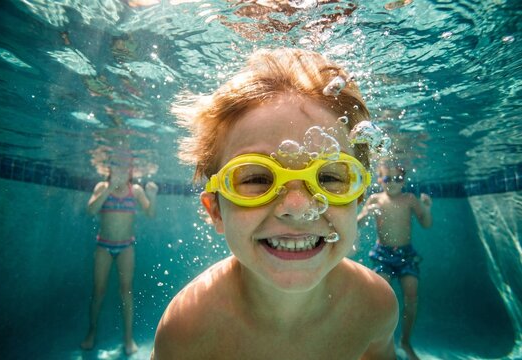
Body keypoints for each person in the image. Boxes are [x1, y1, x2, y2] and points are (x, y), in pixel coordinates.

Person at [152, 48, 399, 360]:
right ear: (215, 210)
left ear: (358, 197)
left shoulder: (375, 306)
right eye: (257, 179)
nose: (297, 206)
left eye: (328, 178)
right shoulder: (188, 327)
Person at [81, 163, 158, 355]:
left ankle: (128, 337)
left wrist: (153, 197)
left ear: (131, 172)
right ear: (110, 171)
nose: (121, 173)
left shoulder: (136, 190)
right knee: (98, 291)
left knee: (126, 291)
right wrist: (108, 188)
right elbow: (90, 210)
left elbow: (150, 213)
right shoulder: (101, 187)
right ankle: (92, 332)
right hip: (104, 246)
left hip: (126, 247)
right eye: (117, 169)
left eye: (125, 169)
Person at [357, 162, 432, 360]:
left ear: (404, 180)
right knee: (379, 296)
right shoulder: (375, 199)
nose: (392, 183)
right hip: (383, 254)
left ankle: (405, 342)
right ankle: (381, 344)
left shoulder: (409, 199)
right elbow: (358, 224)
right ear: (379, 179)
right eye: (387, 178)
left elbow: (426, 224)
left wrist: (425, 208)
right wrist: (365, 213)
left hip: (406, 255)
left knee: (412, 296)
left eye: (397, 179)